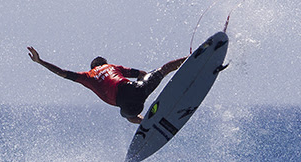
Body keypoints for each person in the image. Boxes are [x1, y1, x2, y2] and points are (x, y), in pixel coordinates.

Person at [27, 47, 187, 124]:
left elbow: (62, 72)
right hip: (133, 90)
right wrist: (147, 87)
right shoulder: (113, 67)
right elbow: (142, 73)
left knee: (128, 117)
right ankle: (189, 58)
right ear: (105, 63)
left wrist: (40, 61)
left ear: (92, 67)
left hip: (127, 107)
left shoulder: (87, 76)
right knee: (163, 70)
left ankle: (145, 122)